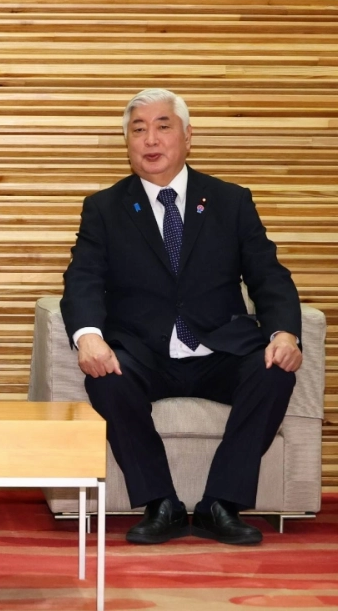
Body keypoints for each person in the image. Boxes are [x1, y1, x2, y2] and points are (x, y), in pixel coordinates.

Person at [61, 88, 302, 546]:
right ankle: (161, 504)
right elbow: (83, 278)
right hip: (143, 352)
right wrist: (88, 336)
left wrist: (285, 332)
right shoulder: (105, 208)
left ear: (187, 137)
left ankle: (221, 504)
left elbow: (269, 275)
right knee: (107, 378)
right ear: (128, 143)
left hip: (220, 350)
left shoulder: (230, 202)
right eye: (138, 129)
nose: (150, 139)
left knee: (275, 371)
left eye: (163, 126)